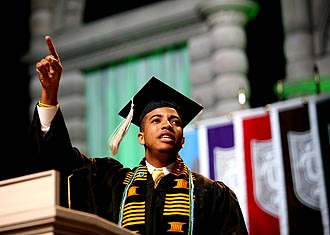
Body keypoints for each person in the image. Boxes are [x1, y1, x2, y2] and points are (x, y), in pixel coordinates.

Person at [26, 35, 249, 235]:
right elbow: (59, 159)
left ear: (183, 140)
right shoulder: (111, 182)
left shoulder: (212, 195)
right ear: (140, 137)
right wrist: (50, 94)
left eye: (175, 122)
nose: (167, 126)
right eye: (156, 120)